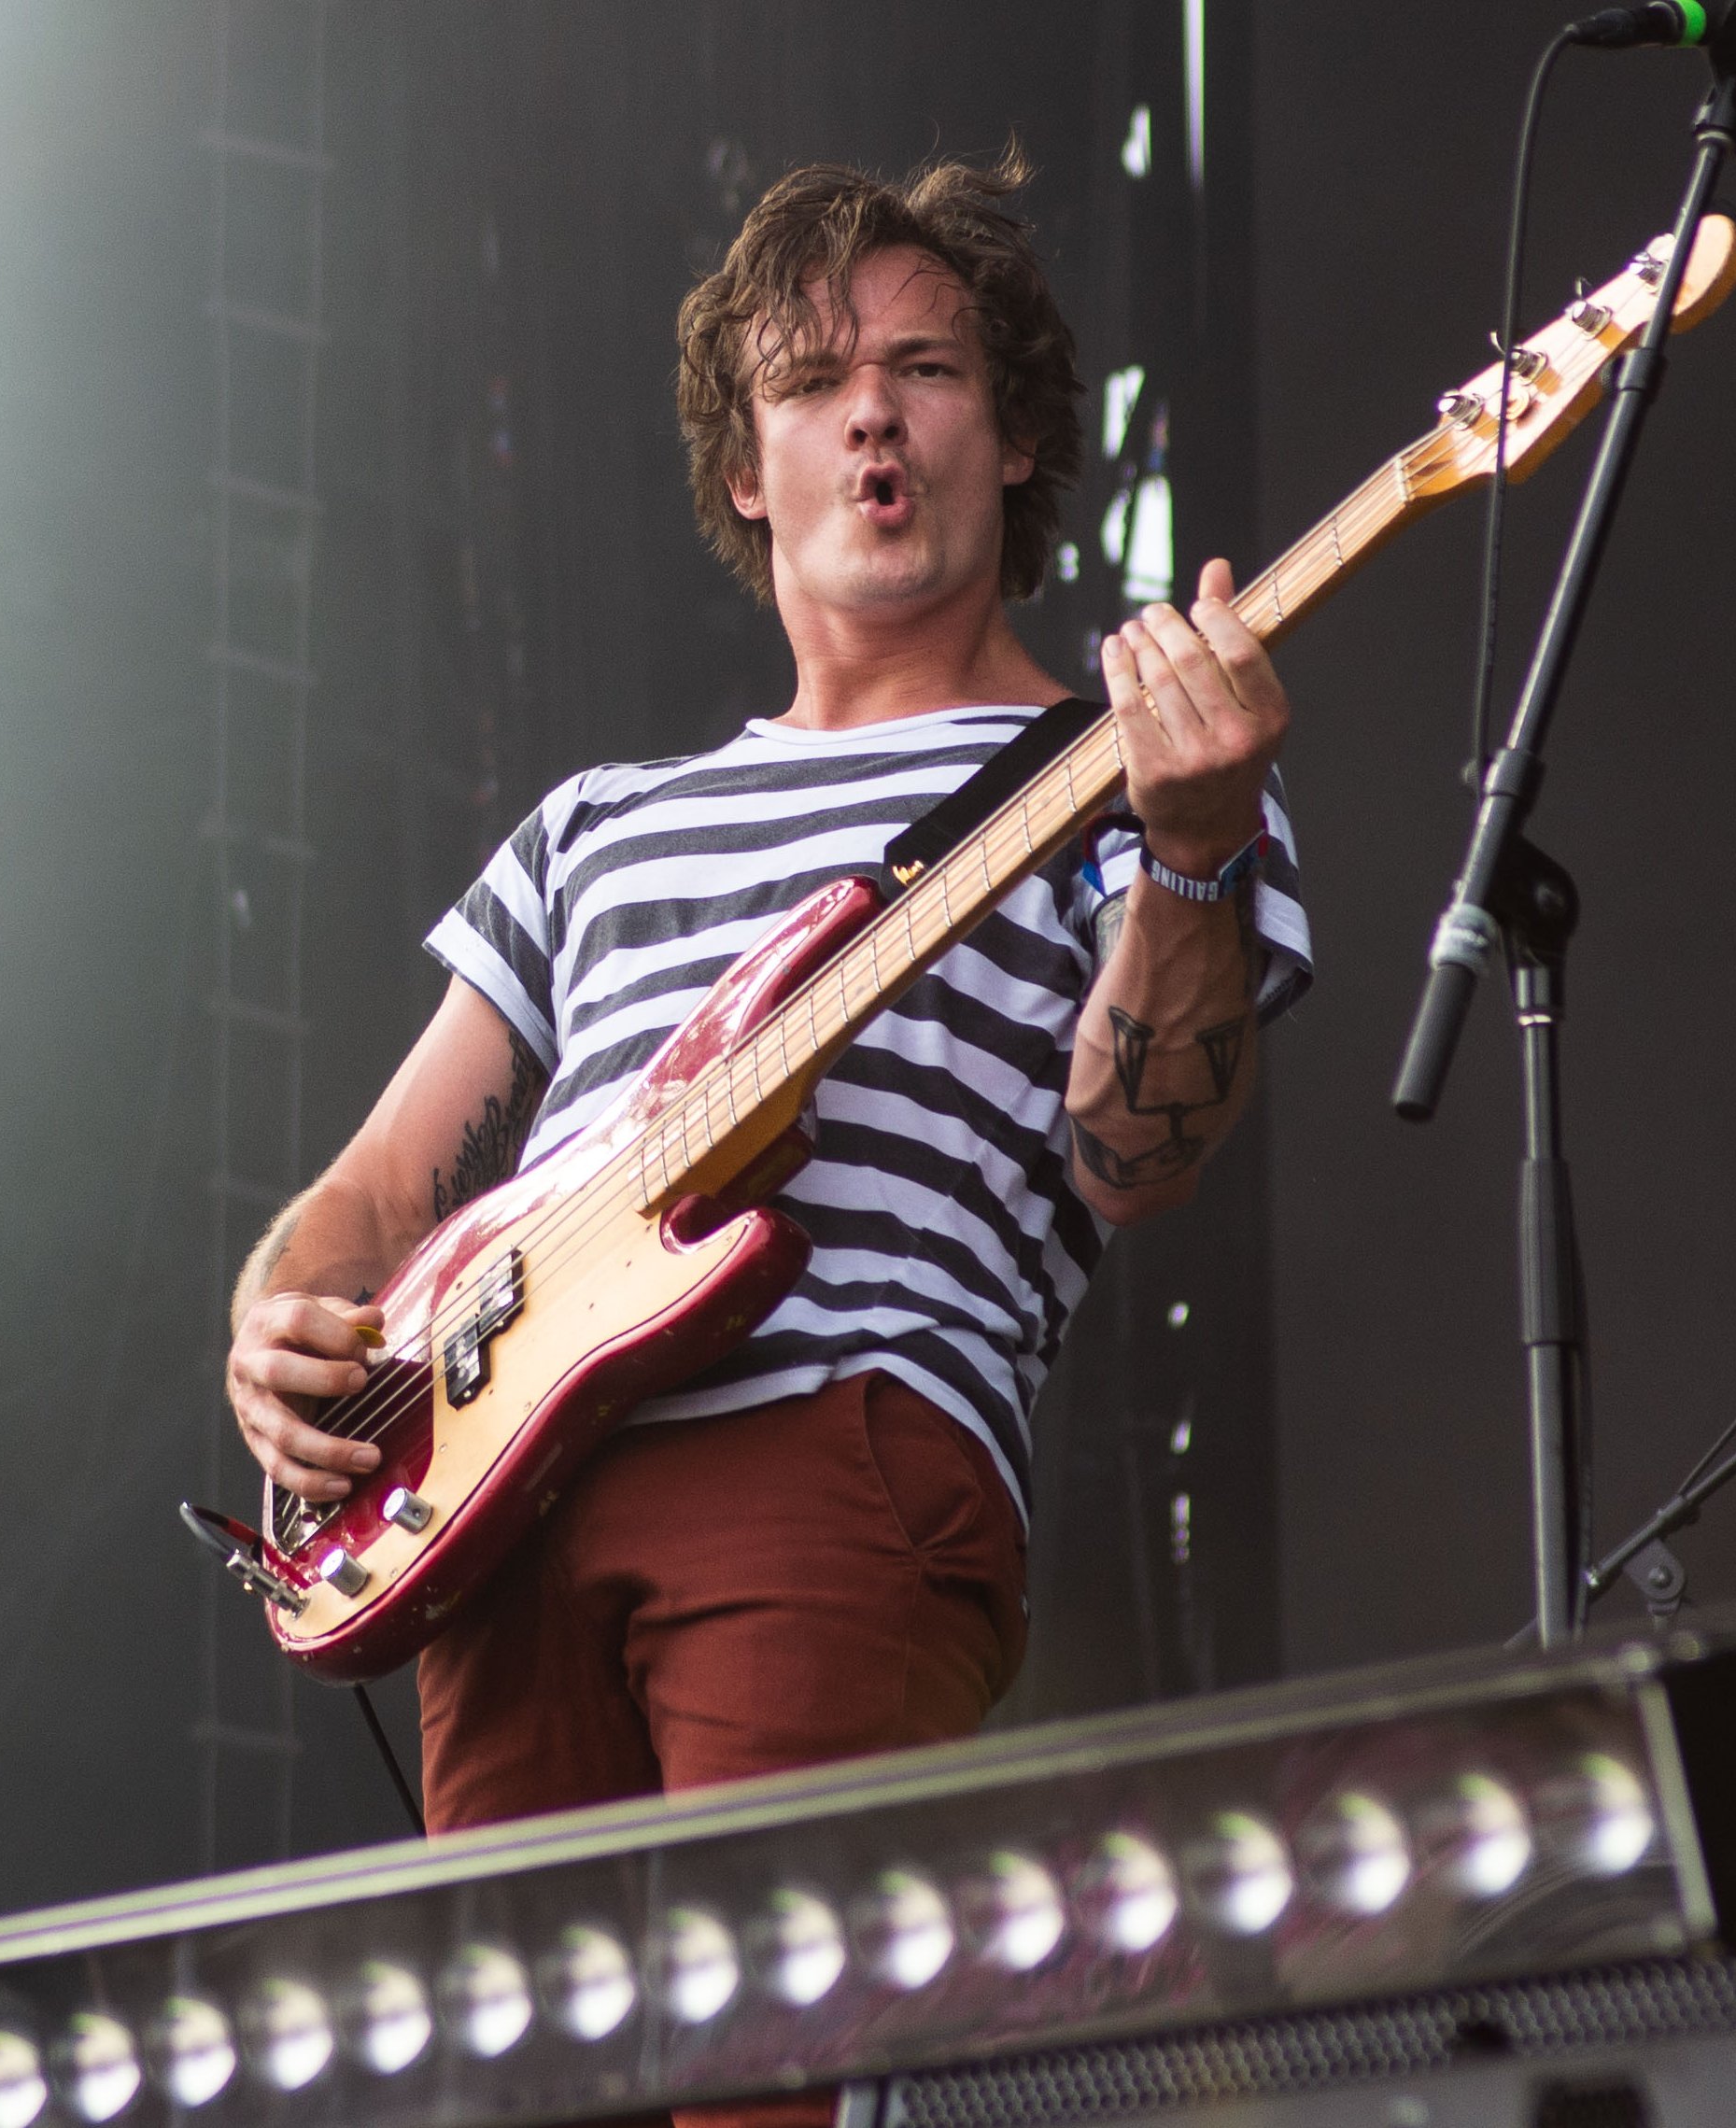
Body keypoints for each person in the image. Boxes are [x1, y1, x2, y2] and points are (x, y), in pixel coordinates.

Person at [221, 148, 1310, 1853]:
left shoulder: (1133, 765)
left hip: (833, 1445)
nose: (869, 416)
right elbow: (377, 1182)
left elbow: (1137, 1154)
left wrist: (1188, 854)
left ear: (1012, 437)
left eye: (925, 370)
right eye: (811, 384)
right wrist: (282, 1318)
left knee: (775, 2090)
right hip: (496, 1500)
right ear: (745, 469)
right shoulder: (593, 822)